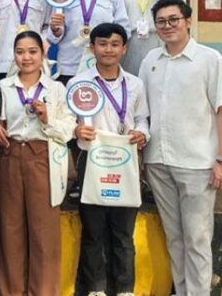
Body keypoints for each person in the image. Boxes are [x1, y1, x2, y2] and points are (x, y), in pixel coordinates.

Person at [139, 0, 222, 296]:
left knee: (197, 239)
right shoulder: (150, 60)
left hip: (197, 165)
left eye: (173, 20)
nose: (167, 26)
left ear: (188, 21)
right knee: (175, 238)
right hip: (158, 162)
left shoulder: (210, 60)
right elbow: (141, 110)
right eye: (161, 22)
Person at [0, 31, 76, 296]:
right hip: (12, 156)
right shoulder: (3, 87)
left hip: (44, 157)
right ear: (13, 55)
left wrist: (48, 117)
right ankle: (12, 291)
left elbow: (68, 130)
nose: (26, 57)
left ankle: (44, 291)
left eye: (32, 51)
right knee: (11, 229)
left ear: (42, 54)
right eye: (20, 51)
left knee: (44, 232)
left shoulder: (57, 89)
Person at [67, 23, 149, 296]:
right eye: (102, 43)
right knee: (93, 231)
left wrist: (142, 133)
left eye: (115, 44)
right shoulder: (79, 83)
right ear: (92, 48)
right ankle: (96, 289)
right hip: (92, 159)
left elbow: (141, 118)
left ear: (124, 49)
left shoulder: (135, 84)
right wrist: (76, 130)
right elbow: (67, 121)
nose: (109, 49)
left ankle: (125, 289)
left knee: (123, 233)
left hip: (125, 162)